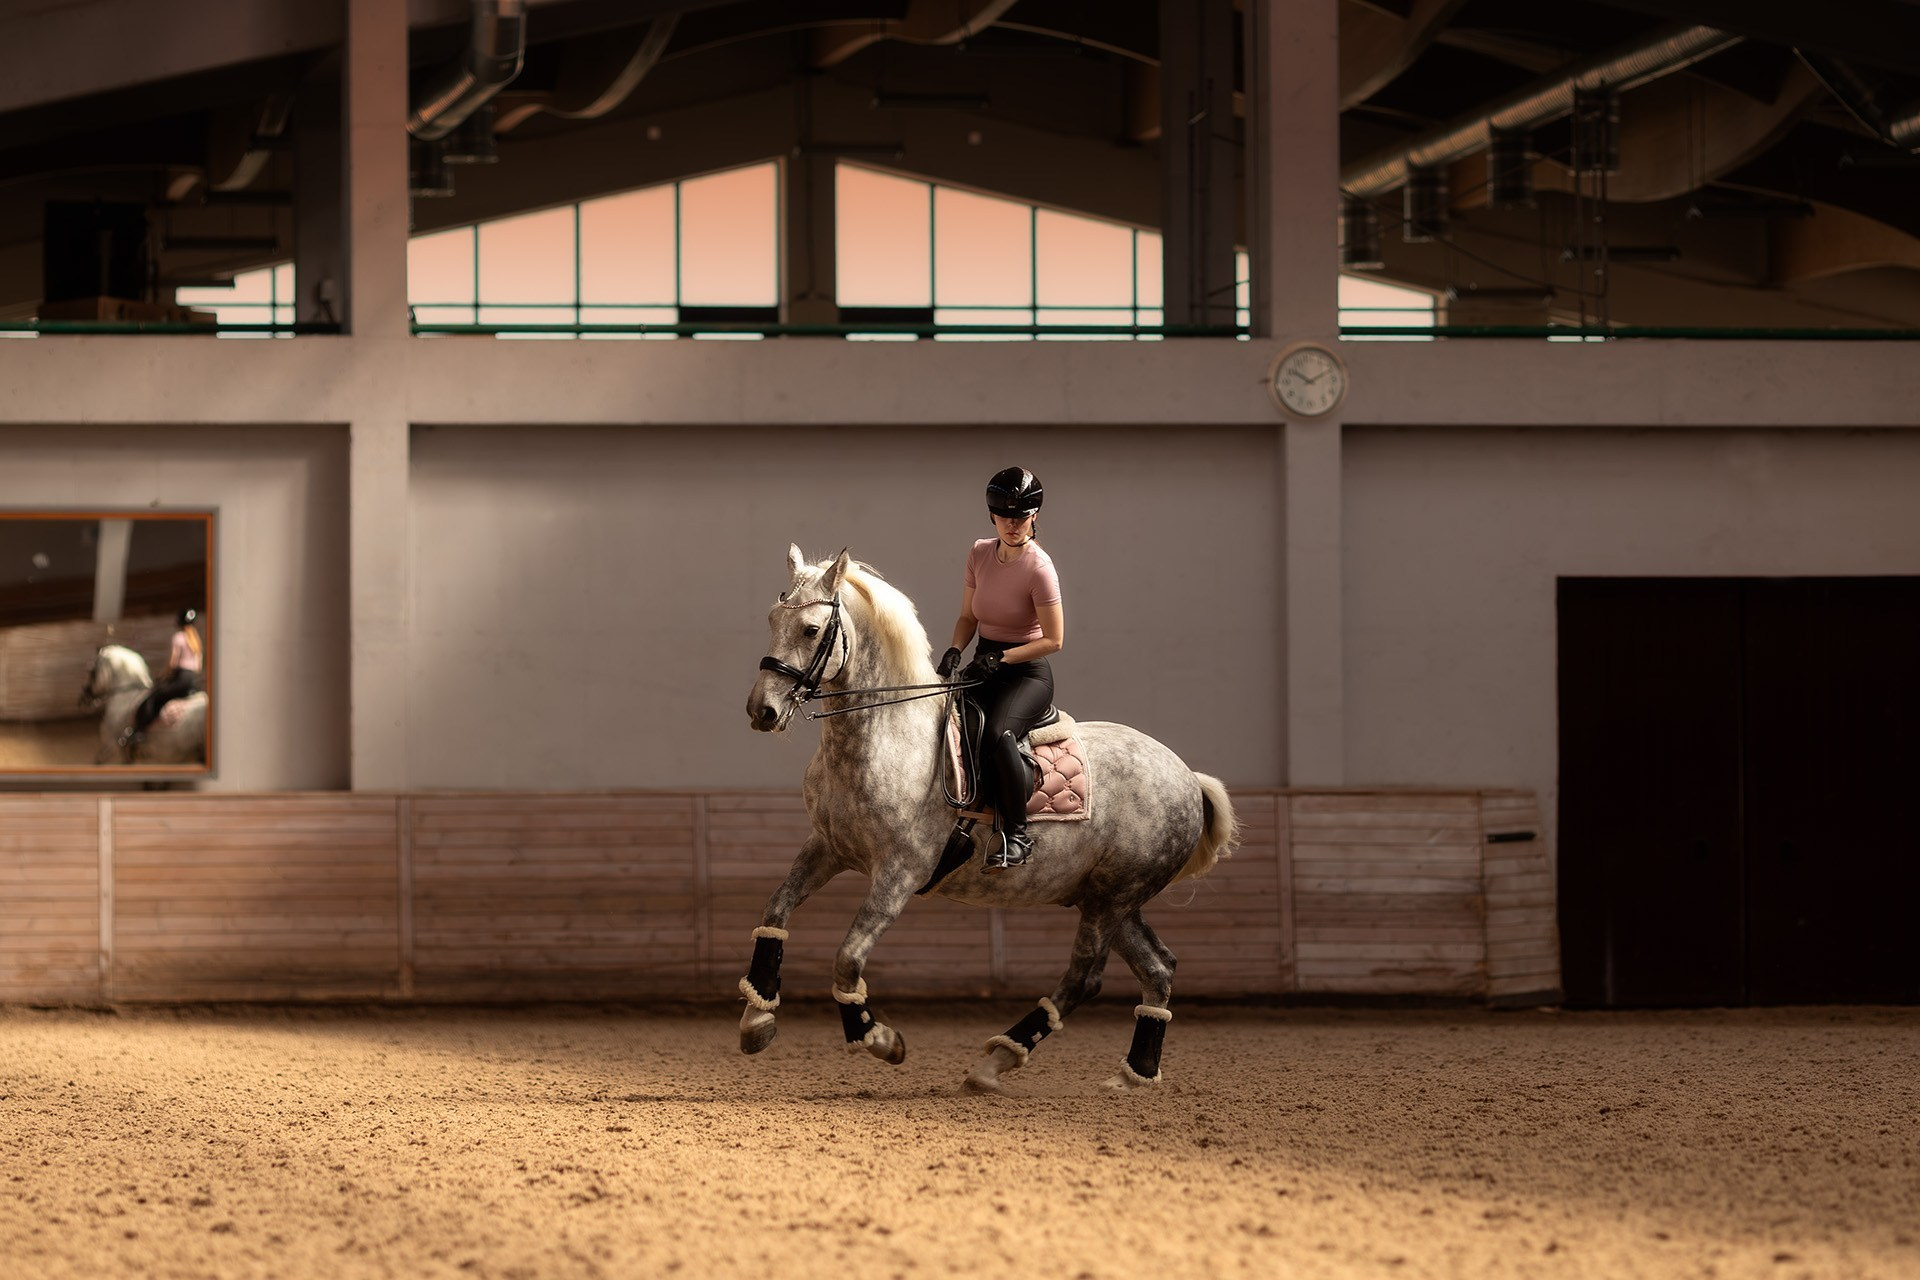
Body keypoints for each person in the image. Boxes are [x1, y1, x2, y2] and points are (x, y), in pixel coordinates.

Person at [937, 467, 1064, 872]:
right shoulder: (978, 553)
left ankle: (1018, 836)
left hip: (1024, 671)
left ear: (1034, 515)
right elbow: (967, 617)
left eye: (1022, 515)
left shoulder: (1039, 568)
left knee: (998, 732)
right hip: (982, 663)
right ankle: (960, 826)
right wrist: (955, 650)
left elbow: (1054, 640)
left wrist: (1001, 659)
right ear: (992, 515)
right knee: (947, 725)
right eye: (1004, 515)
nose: (1013, 524)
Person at [126, 606, 204, 753]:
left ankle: (141, 731)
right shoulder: (196, 640)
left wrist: (163, 676)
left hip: (180, 678)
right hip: (191, 680)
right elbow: (198, 666)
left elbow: (172, 663)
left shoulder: (179, 637)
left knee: (153, 697)